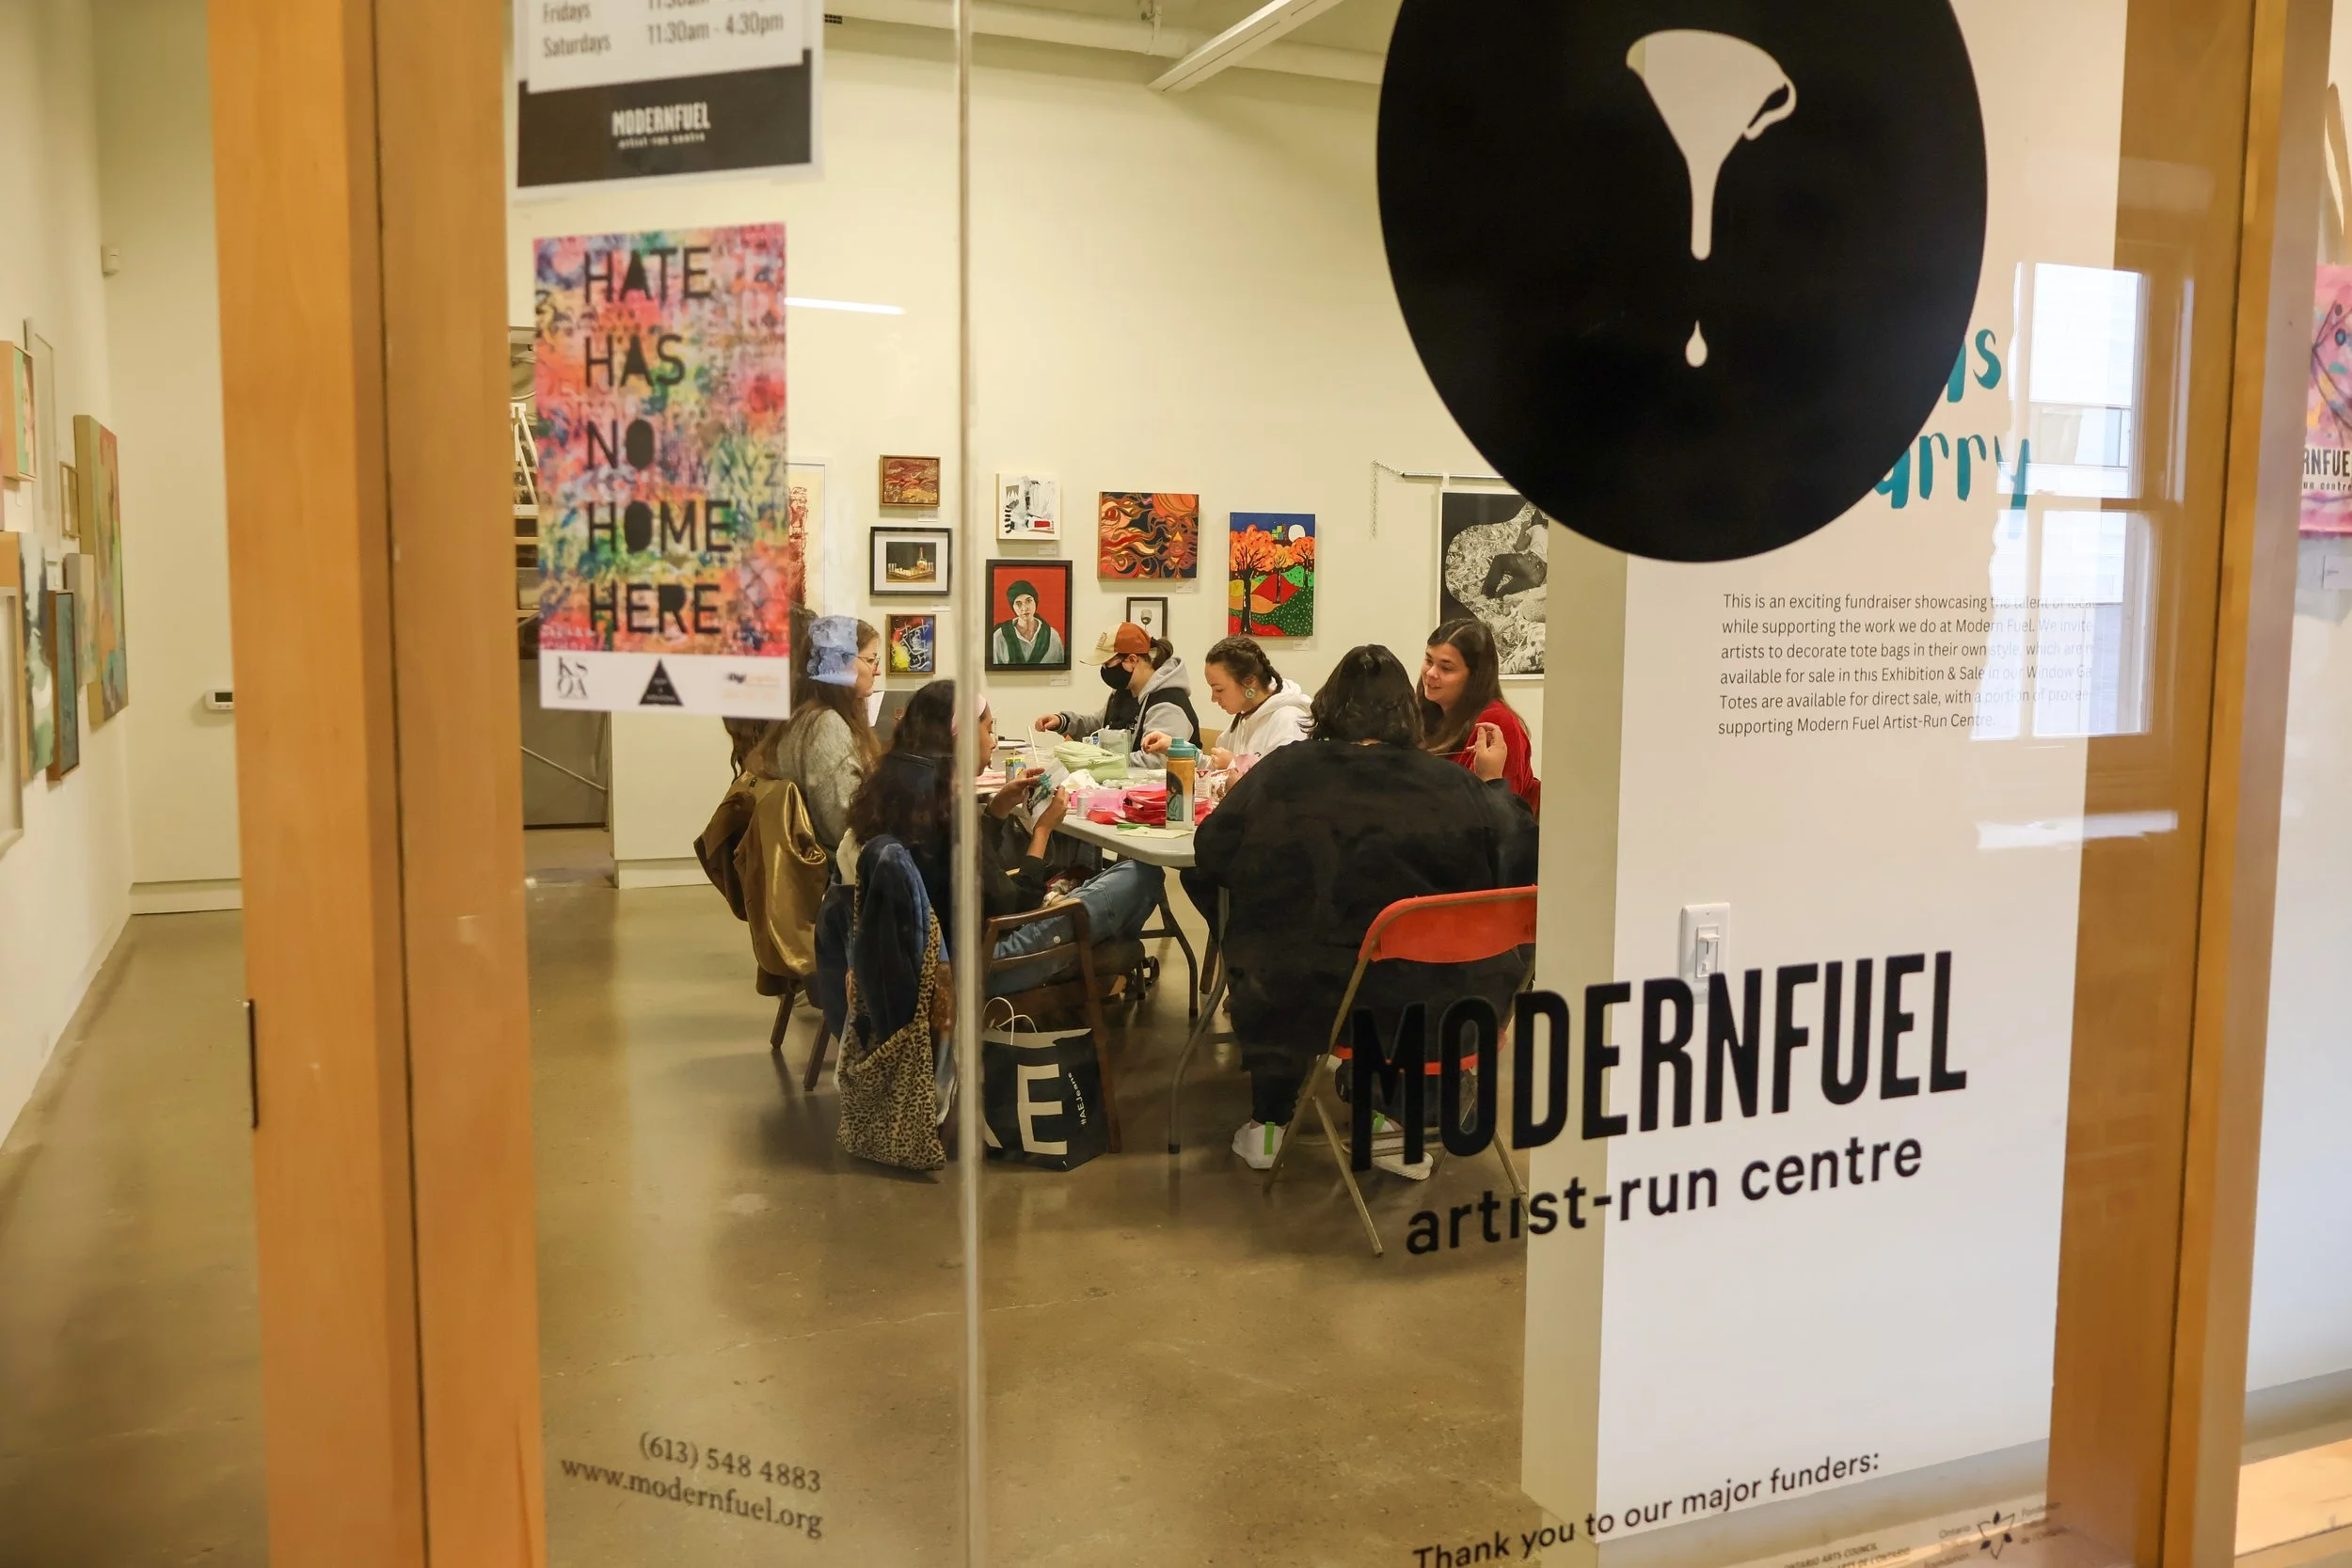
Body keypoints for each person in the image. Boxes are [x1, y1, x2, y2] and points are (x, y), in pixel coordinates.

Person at [1186, 645, 1536, 1173]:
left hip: (1311, 1003)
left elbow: (1212, 851)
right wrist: (1493, 783)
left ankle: (1271, 1122)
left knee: (1272, 935)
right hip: (1446, 1011)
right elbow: (1521, 862)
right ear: (1407, 711)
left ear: (1327, 706)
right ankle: (1393, 1120)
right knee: (1394, 964)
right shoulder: (1456, 786)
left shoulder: (1288, 771)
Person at [840, 680, 1165, 998]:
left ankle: (1108, 965)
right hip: (984, 962)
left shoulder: (901, 788)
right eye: (988, 729)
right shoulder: (949, 807)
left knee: (1107, 885)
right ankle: (1105, 966)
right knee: (1142, 874)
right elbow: (1013, 905)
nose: (993, 741)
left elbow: (963, 869)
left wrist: (996, 811)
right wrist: (1042, 832)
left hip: (930, 956)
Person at [770, 615, 884, 856]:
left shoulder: (806, 716)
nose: (878, 670)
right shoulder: (826, 725)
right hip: (836, 877)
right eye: (871, 660)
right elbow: (846, 827)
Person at [1033, 623, 1199, 770]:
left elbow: (1155, 763)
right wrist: (1064, 721)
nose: (1105, 671)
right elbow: (1099, 725)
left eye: (1107, 664)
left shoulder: (1168, 703)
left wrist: (1094, 760)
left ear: (1132, 660)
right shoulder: (1123, 692)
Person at [1421, 618, 1538, 807]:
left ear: (1475, 677)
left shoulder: (1496, 723)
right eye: (1428, 660)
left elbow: (1502, 814)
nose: (1431, 673)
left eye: (1446, 668)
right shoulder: (1425, 713)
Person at [1198, 635, 1311, 768]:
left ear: (1249, 682)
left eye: (1219, 690)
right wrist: (1184, 752)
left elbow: (1284, 780)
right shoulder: (1246, 715)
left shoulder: (1290, 720)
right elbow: (1217, 764)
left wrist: (1233, 764)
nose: (1213, 699)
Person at [991, 578, 1067, 667]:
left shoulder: (1052, 636)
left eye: (1028, 601)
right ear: (1013, 607)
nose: (1024, 608)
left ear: (1035, 602)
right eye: (1018, 603)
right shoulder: (999, 637)